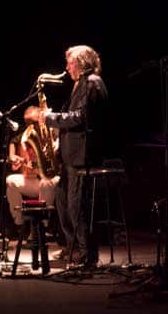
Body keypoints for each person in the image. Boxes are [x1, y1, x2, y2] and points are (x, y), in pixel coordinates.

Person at [25, 45, 108, 266]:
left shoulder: (91, 83)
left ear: (80, 63)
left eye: (70, 63)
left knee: (76, 205)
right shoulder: (80, 84)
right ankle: (71, 247)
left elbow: (80, 117)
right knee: (62, 203)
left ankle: (86, 253)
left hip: (82, 156)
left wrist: (49, 117)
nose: (66, 67)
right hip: (70, 155)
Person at [4, 131, 59, 236]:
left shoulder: (53, 136)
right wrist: (14, 157)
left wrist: (39, 168)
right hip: (34, 181)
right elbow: (14, 141)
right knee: (10, 181)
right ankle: (20, 224)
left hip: (50, 178)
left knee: (46, 183)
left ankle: (43, 226)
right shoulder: (26, 135)